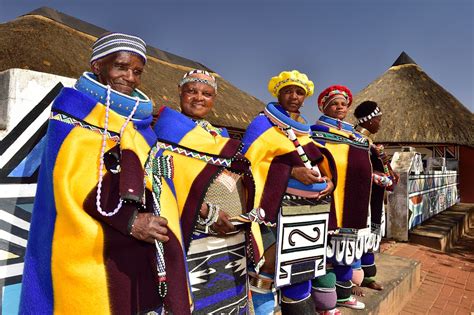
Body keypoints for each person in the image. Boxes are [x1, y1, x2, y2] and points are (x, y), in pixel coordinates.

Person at [19, 33, 189, 314]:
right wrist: (130, 220)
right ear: (98, 66)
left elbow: (157, 181)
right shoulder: (74, 111)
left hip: (137, 254)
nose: (131, 78)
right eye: (121, 67)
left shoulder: (141, 125)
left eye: (137, 71)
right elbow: (74, 179)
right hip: (88, 253)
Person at [152, 69, 254, 313]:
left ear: (214, 98)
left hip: (231, 237)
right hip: (192, 234)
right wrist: (205, 210)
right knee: (193, 299)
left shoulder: (220, 136)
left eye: (207, 93)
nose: (199, 98)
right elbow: (160, 181)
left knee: (229, 297)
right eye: (192, 91)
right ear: (180, 92)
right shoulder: (166, 132)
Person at [242, 70, 337, 314]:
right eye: (288, 91)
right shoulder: (262, 124)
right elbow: (248, 164)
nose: (294, 96)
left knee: (300, 267)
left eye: (299, 92)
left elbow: (318, 161)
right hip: (273, 211)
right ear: (278, 93)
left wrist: (329, 180)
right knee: (268, 265)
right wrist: (292, 173)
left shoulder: (304, 129)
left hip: (307, 214)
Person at [311, 85, 372, 310]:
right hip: (325, 201)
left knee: (346, 250)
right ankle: (325, 303)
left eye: (343, 104)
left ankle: (344, 296)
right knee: (324, 252)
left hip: (352, 203)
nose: (339, 107)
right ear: (324, 106)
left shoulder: (357, 138)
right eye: (334, 103)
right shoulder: (314, 134)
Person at [353, 100, 399, 291]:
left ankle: (367, 276)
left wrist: (384, 164)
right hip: (359, 199)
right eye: (378, 119)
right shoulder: (355, 140)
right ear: (369, 121)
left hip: (374, 199)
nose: (380, 123)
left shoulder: (371, 143)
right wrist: (376, 176)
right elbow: (353, 170)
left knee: (370, 239)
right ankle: (351, 280)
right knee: (356, 239)